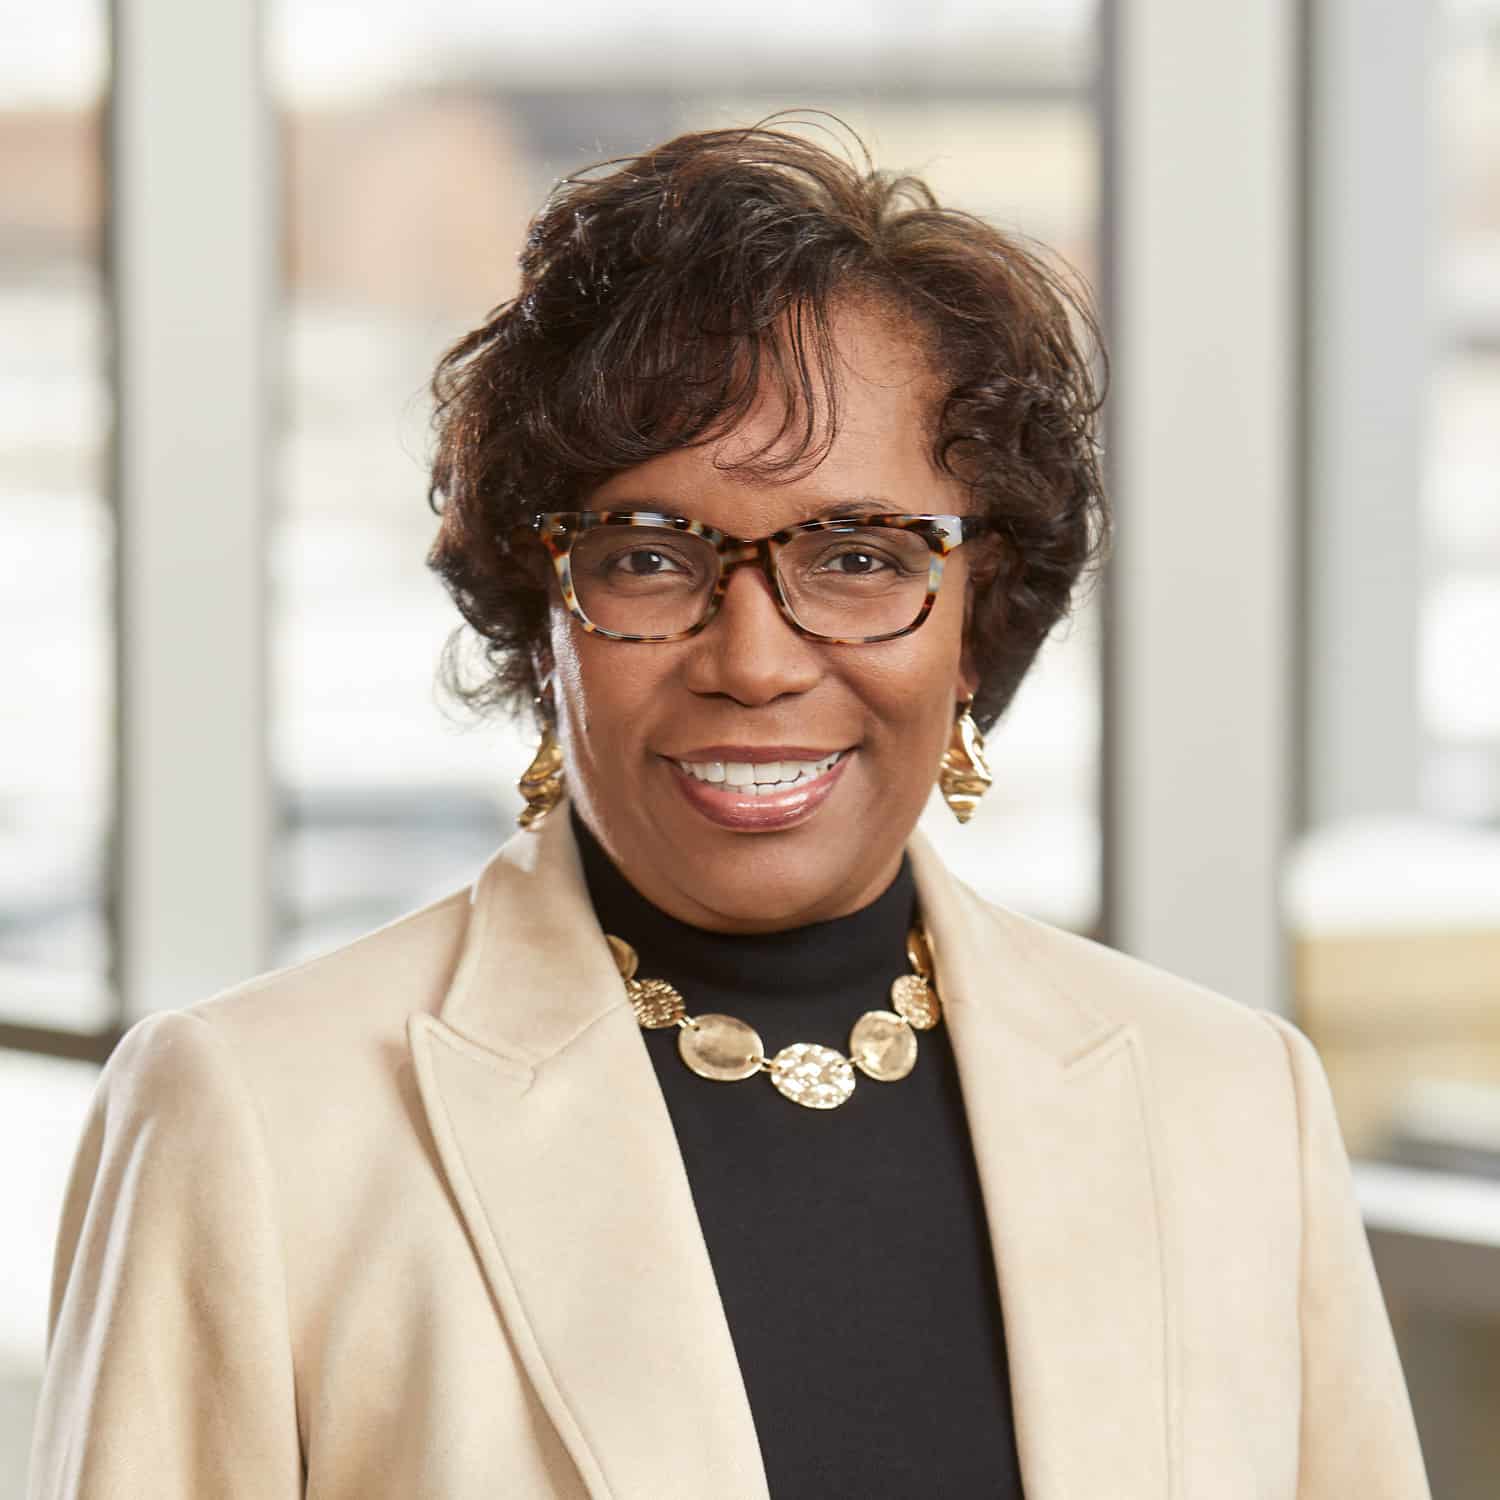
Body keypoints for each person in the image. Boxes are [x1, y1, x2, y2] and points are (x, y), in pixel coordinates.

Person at [29, 122, 1428, 1499]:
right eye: (649, 558)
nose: (754, 662)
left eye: (860, 557)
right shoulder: (256, 1117)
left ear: (980, 615)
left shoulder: (1231, 1101)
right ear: (542, 615)